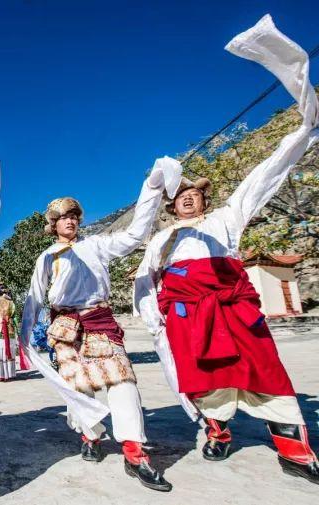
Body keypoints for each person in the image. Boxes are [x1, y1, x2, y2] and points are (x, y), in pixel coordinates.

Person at [134, 15, 319, 485]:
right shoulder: (161, 239)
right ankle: (218, 431)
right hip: (187, 313)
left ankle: (294, 451)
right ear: (171, 205)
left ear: (205, 197)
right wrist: (155, 318)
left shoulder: (227, 217)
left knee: (266, 370)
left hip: (233, 307)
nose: (187, 198)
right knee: (203, 379)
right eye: (179, 196)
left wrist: (298, 136)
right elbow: (143, 279)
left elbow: (265, 174)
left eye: (193, 192)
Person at [21, 159, 180, 492]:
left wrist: (150, 189)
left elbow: (136, 233)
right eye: (63, 217)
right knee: (80, 387)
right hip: (65, 325)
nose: (70, 221)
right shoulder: (47, 257)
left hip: (99, 320)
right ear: (53, 224)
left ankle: (135, 454)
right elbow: (35, 297)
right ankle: (90, 436)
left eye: (73, 215)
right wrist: (24, 336)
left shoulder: (97, 245)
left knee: (123, 384)